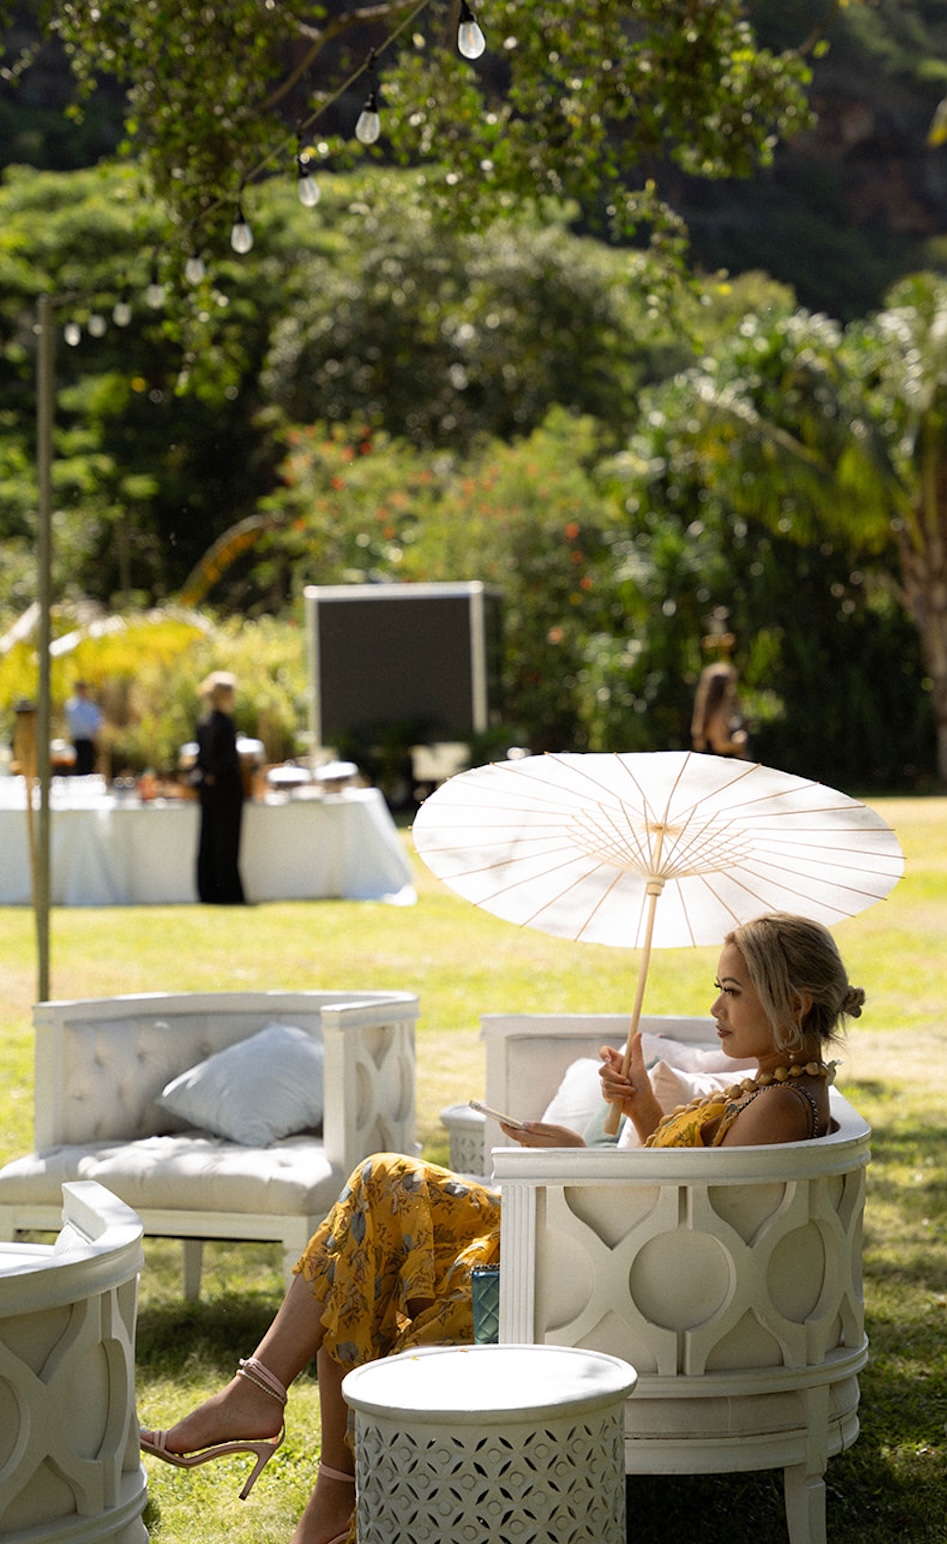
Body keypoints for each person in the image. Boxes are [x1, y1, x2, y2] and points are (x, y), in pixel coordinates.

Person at [138, 912, 864, 1544]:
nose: (715, 1007)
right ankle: (280, 1420)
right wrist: (641, 1112)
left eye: (732, 991)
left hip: (600, 1274)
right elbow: (692, 1199)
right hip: (600, 1247)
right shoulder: (775, 1087)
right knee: (378, 1199)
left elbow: (690, 1228)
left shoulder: (778, 1107)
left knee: (374, 1221)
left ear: (794, 1003)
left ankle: (288, 1433)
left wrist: (581, 1159)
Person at [193, 670, 246, 903]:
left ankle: (209, 890)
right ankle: (228, 892)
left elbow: (201, 761)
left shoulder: (204, 723)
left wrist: (207, 776)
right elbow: (227, 761)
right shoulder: (224, 724)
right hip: (227, 790)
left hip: (208, 790)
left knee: (209, 840)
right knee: (227, 843)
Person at [691, 659, 750, 758]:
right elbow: (720, 745)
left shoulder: (706, 710)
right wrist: (738, 744)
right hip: (721, 765)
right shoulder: (718, 713)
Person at [64, 680, 103, 776]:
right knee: (80, 766)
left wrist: (96, 732)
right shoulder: (72, 705)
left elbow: (97, 719)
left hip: (90, 740)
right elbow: (78, 722)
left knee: (90, 764)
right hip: (79, 739)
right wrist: (90, 731)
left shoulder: (90, 705)